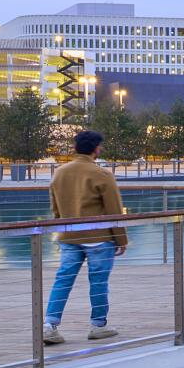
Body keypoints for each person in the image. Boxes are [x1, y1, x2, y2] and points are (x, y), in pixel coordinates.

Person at [44, 130, 129, 344]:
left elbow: (55, 209)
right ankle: (98, 325)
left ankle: (49, 325)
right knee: (98, 281)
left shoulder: (60, 173)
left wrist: (61, 228)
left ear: (75, 148)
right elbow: (114, 211)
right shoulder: (102, 174)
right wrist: (121, 239)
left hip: (68, 235)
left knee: (63, 280)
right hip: (99, 237)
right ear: (96, 149)